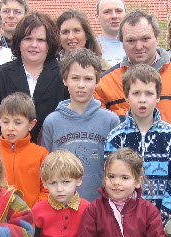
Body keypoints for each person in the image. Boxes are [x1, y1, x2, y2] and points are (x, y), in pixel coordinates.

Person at [95, 10, 171, 169]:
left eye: (145, 38)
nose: (139, 46)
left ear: (157, 37)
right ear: (122, 42)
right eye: (131, 40)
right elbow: (99, 138)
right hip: (124, 185)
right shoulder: (105, 84)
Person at [105, 65, 171, 224]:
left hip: (163, 221)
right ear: (126, 96)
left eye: (149, 93)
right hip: (125, 221)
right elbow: (111, 179)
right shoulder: (115, 137)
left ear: (158, 97)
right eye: (136, 93)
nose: (142, 99)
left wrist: (162, 218)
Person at [40, 48, 120, 201]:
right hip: (63, 206)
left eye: (88, 79)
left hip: (101, 205)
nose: (81, 85)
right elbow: (46, 167)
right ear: (65, 80)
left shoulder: (111, 121)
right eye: (75, 78)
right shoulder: (52, 122)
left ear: (97, 81)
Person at [0, 12, 68, 142]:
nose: (34, 45)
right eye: (28, 39)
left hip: (53, 154)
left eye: (41, 40)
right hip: (9, 154)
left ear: (49, 44)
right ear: (19, 42)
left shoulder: (64, 75)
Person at [0, 93, 49, 208]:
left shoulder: (41, 154)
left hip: (32, 219)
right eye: (6, 122)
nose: (10, 128)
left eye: (18, 122)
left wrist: (34, 211)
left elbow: (48, 189)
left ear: (31, 124)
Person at [96, 0, 127, 64]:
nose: (114, 16)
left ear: (126, 14)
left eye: (118, 11)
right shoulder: (91, 47)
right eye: (107, 12)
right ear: (97, 17)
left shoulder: (138, 45)